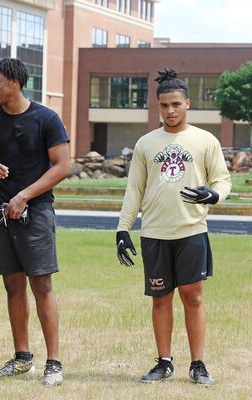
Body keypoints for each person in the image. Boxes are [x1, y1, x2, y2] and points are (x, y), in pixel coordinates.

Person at [116, 68, 231, 386]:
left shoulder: (205, 140)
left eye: (176, 104)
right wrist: (123, 229)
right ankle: (164, 362)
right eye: (164, 105)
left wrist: (214, 194)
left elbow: (222, 178)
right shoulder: (145, 144)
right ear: (158, 106)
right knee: (160, 298)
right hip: (154, 233)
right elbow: (134, 190)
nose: (170, 110)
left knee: (193, 297)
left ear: (187, 103)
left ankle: (198, 364)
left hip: (192, 230)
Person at [0, 58, 70, 386]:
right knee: (12, 284)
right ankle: (22, 357)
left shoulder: (46, 119)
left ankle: (53, 362)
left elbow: (61, 167)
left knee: (41, 284)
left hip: (36, 211)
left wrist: (25, 195)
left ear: (15, 82)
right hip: (0, 212)